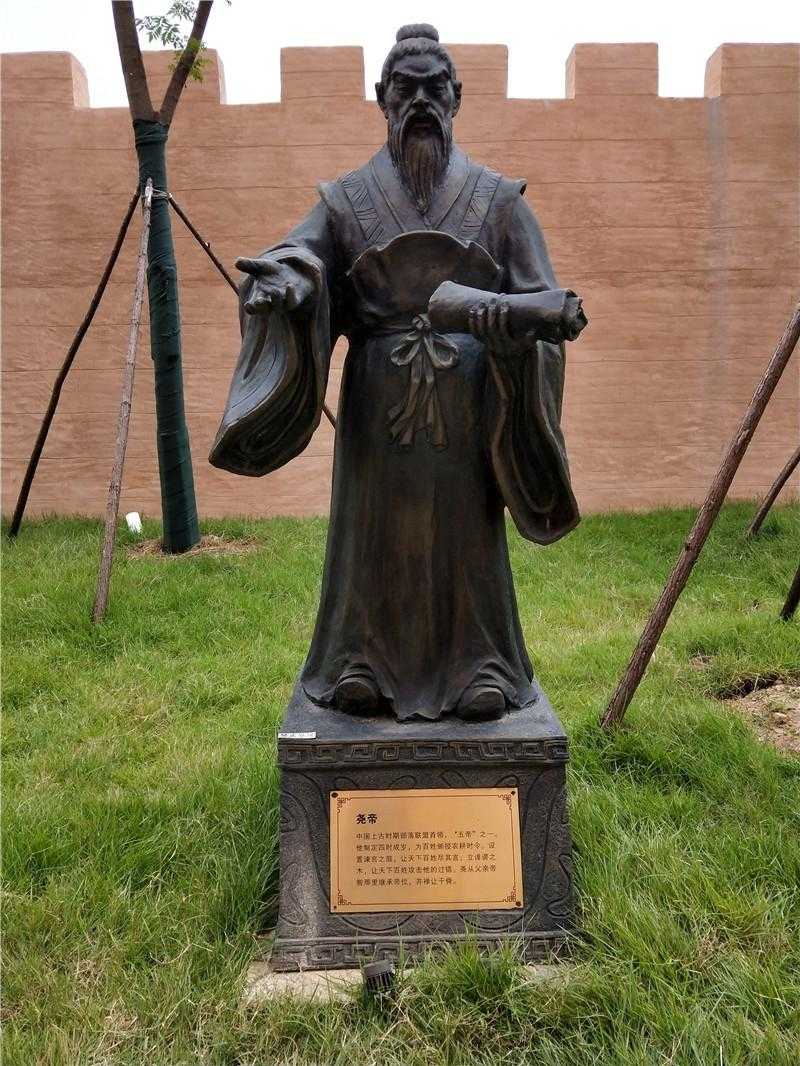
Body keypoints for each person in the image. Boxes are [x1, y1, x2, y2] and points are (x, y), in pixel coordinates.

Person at [211, 25, 585, 721]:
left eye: (434, 89)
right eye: (405, 90)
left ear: (457, 97)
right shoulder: (347, 199)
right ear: (381, 97)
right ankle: (359, 661)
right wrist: (290, 287)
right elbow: (301, 255)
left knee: (465, 534)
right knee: (373, 533)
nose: (420, 103)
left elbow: (541, 302)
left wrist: (513, 342)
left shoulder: (500, 201)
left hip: (470, 408)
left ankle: (482, 664)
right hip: (377, 406)